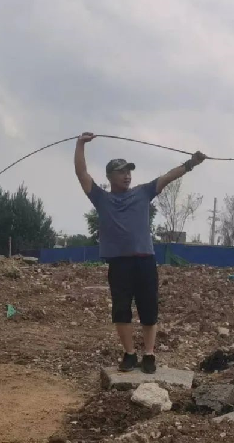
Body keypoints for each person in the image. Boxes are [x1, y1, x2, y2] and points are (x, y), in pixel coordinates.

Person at [74, 132, 206, 373]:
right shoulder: (101, 198)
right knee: (121, 310)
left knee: (148, 309)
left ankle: (149, 354)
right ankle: (129, 354)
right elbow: (82, 173)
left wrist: (191, 163)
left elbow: (167, 177)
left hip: (145, 261)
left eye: (129, 171)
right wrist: (80, 144)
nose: (127, 175)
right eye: (121, 172)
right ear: (110, 177)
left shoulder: (143, 192)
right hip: (119, 264)